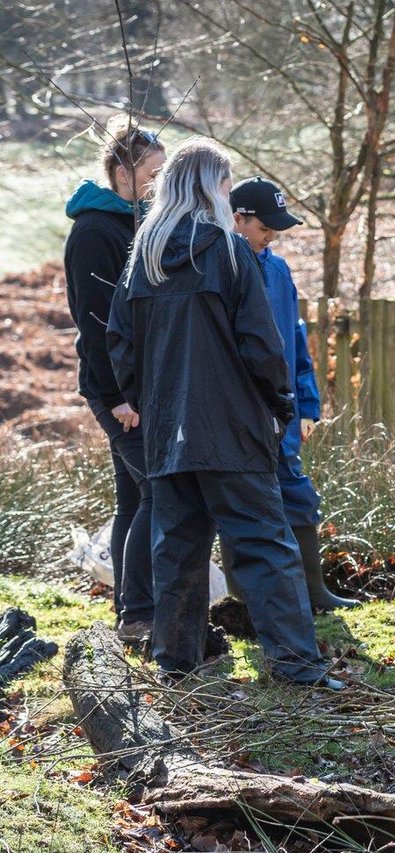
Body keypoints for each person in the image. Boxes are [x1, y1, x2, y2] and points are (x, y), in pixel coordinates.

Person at [106, 139, 338, 687]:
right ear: (213, 189)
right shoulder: (231, 253)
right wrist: (279, 407)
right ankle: (297, 668)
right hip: (233, 429)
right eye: (227, 187)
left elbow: (119, 346)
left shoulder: (142, 261)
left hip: (169, 433)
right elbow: (263, 345)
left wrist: (152, 403)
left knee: (177, 551)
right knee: (265, 546)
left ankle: (175, 666)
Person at [229, 176, 357, 611]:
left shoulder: (278, 269)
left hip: (282, 412)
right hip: (240, 414)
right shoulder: (223, 268)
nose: (271, 237)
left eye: (276, 230)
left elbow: (296, 343)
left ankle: (313, 592)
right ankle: (244, 602)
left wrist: (307, 406)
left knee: (298, 497)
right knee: (242, 507)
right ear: (237, 219)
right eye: (265, 228)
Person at [64, 117, 166, 643]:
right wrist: (117, 396)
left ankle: (133, 611)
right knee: (158, 492)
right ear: (123, 173)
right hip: (117, 392)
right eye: (153, 172)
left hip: (141, 385)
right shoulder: (94, 232)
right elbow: (95, 321)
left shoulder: (140, 222)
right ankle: (140, 613)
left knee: (134, 497)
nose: (160, 181)